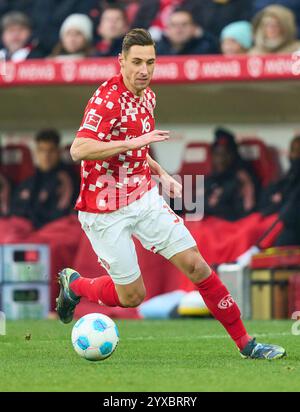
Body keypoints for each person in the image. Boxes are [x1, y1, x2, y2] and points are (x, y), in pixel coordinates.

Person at [56, 28, 286, 360]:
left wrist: (161, 173)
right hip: (103, 209)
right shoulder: (106, 99)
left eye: (150, 62)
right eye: (136, 62)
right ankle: (75, 285)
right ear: (121, 61)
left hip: (143, 196)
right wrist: (131, 144)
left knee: (197, 266)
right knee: (133, 296)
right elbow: (79, 149)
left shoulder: (147, 96)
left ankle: (247, 344)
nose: (144, 70)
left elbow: (135, 150)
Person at [11, 129, 77, 229]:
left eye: (51, 150)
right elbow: (14, 211)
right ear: (36, 152)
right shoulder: (30, 180)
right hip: (28, 231)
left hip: (55, 230)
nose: (46, 156)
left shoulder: (67, 179)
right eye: (42, 150)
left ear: (58, 152)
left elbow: (61, 213)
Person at [204, 128, 260, 221]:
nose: (221, 159)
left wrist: (247, 184)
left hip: (230, 226)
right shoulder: (210, 179)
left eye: (225, 154)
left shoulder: (242, 178)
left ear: (233, 155)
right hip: (206, 225)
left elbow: (247, 211)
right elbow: (196, 209)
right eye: (217, 154)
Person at [259, 136, 300, 246]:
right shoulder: (289, 175)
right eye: (293, 151)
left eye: (298, 152)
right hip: (276, 218)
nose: (294, 156)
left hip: (287, 224)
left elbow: (290, 209)